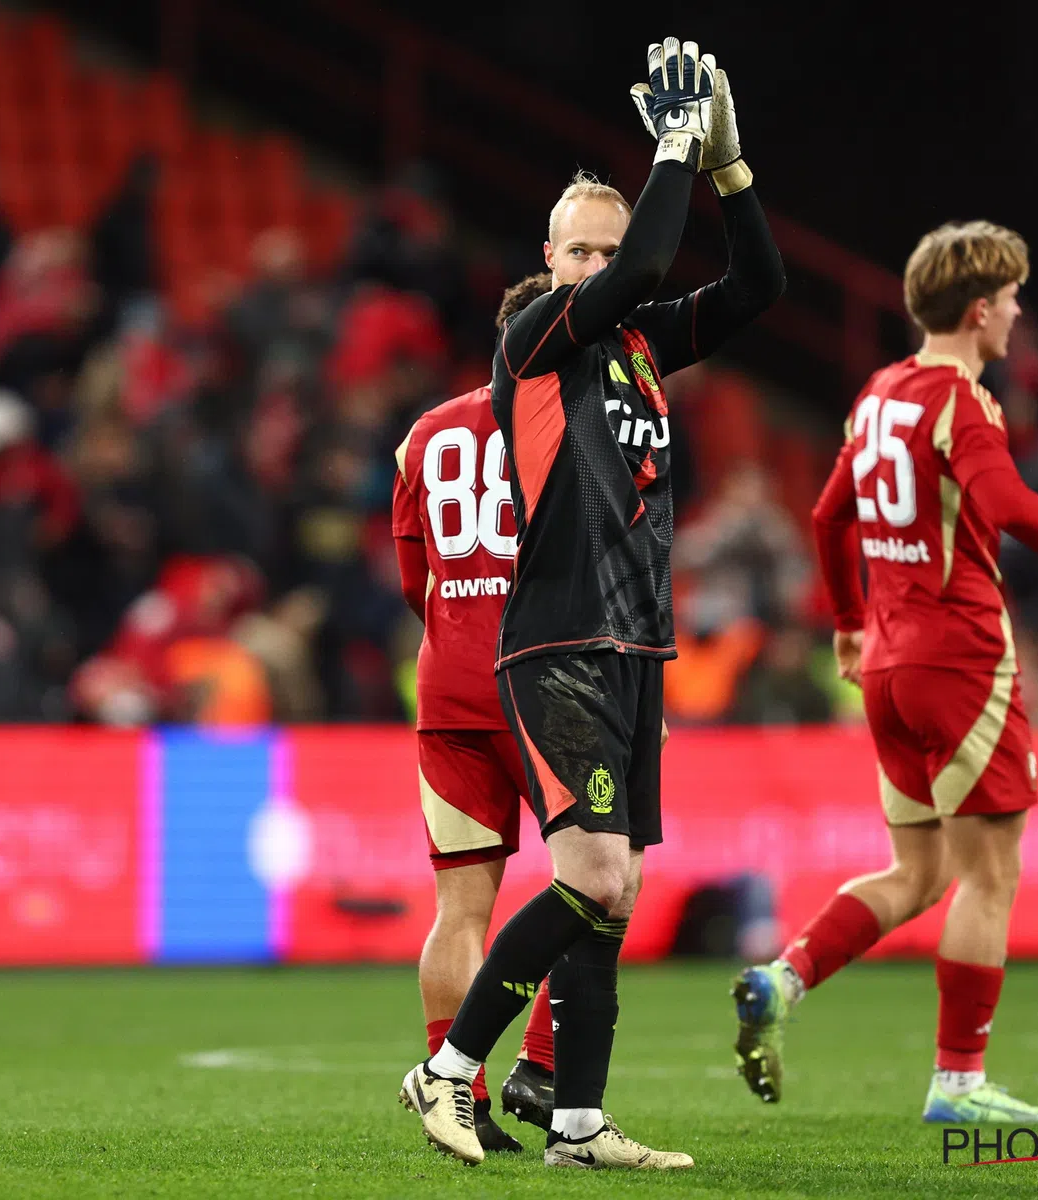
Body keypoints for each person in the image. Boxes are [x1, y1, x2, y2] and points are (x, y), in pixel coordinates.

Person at [400, 37, 784, 1168]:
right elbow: (649, 263)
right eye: (579, 249)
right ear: (549, 258)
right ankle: (449, 1069)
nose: (598, 266)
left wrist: (727, 168)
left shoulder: (639, 347)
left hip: (634, 646)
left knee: (613, 901)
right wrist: (669, 146)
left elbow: (758, 287)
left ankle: (575, 1119)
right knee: (596, 876)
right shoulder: (539, 339)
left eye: (606, 249)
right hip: (557, 639)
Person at [730, 220, 1038, 1123]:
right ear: (978, 308)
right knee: (991, 875)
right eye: (1009, 301)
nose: (1015, 316)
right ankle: (959, 1081)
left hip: (888, 665)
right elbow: (1006, 505)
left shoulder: (879, 393)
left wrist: (849, 625)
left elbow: (824, 515)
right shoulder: (962, 402)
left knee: (919, 872)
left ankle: (784, 979)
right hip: (961, 657)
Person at [389, 373, 558, 1156]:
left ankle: (461, 1096)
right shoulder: (569, 419)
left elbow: (410, 578)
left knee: (459, 908)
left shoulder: (424, 432)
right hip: (547, 682)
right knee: (596, 885)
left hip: (450, 684)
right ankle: (545, 1068)